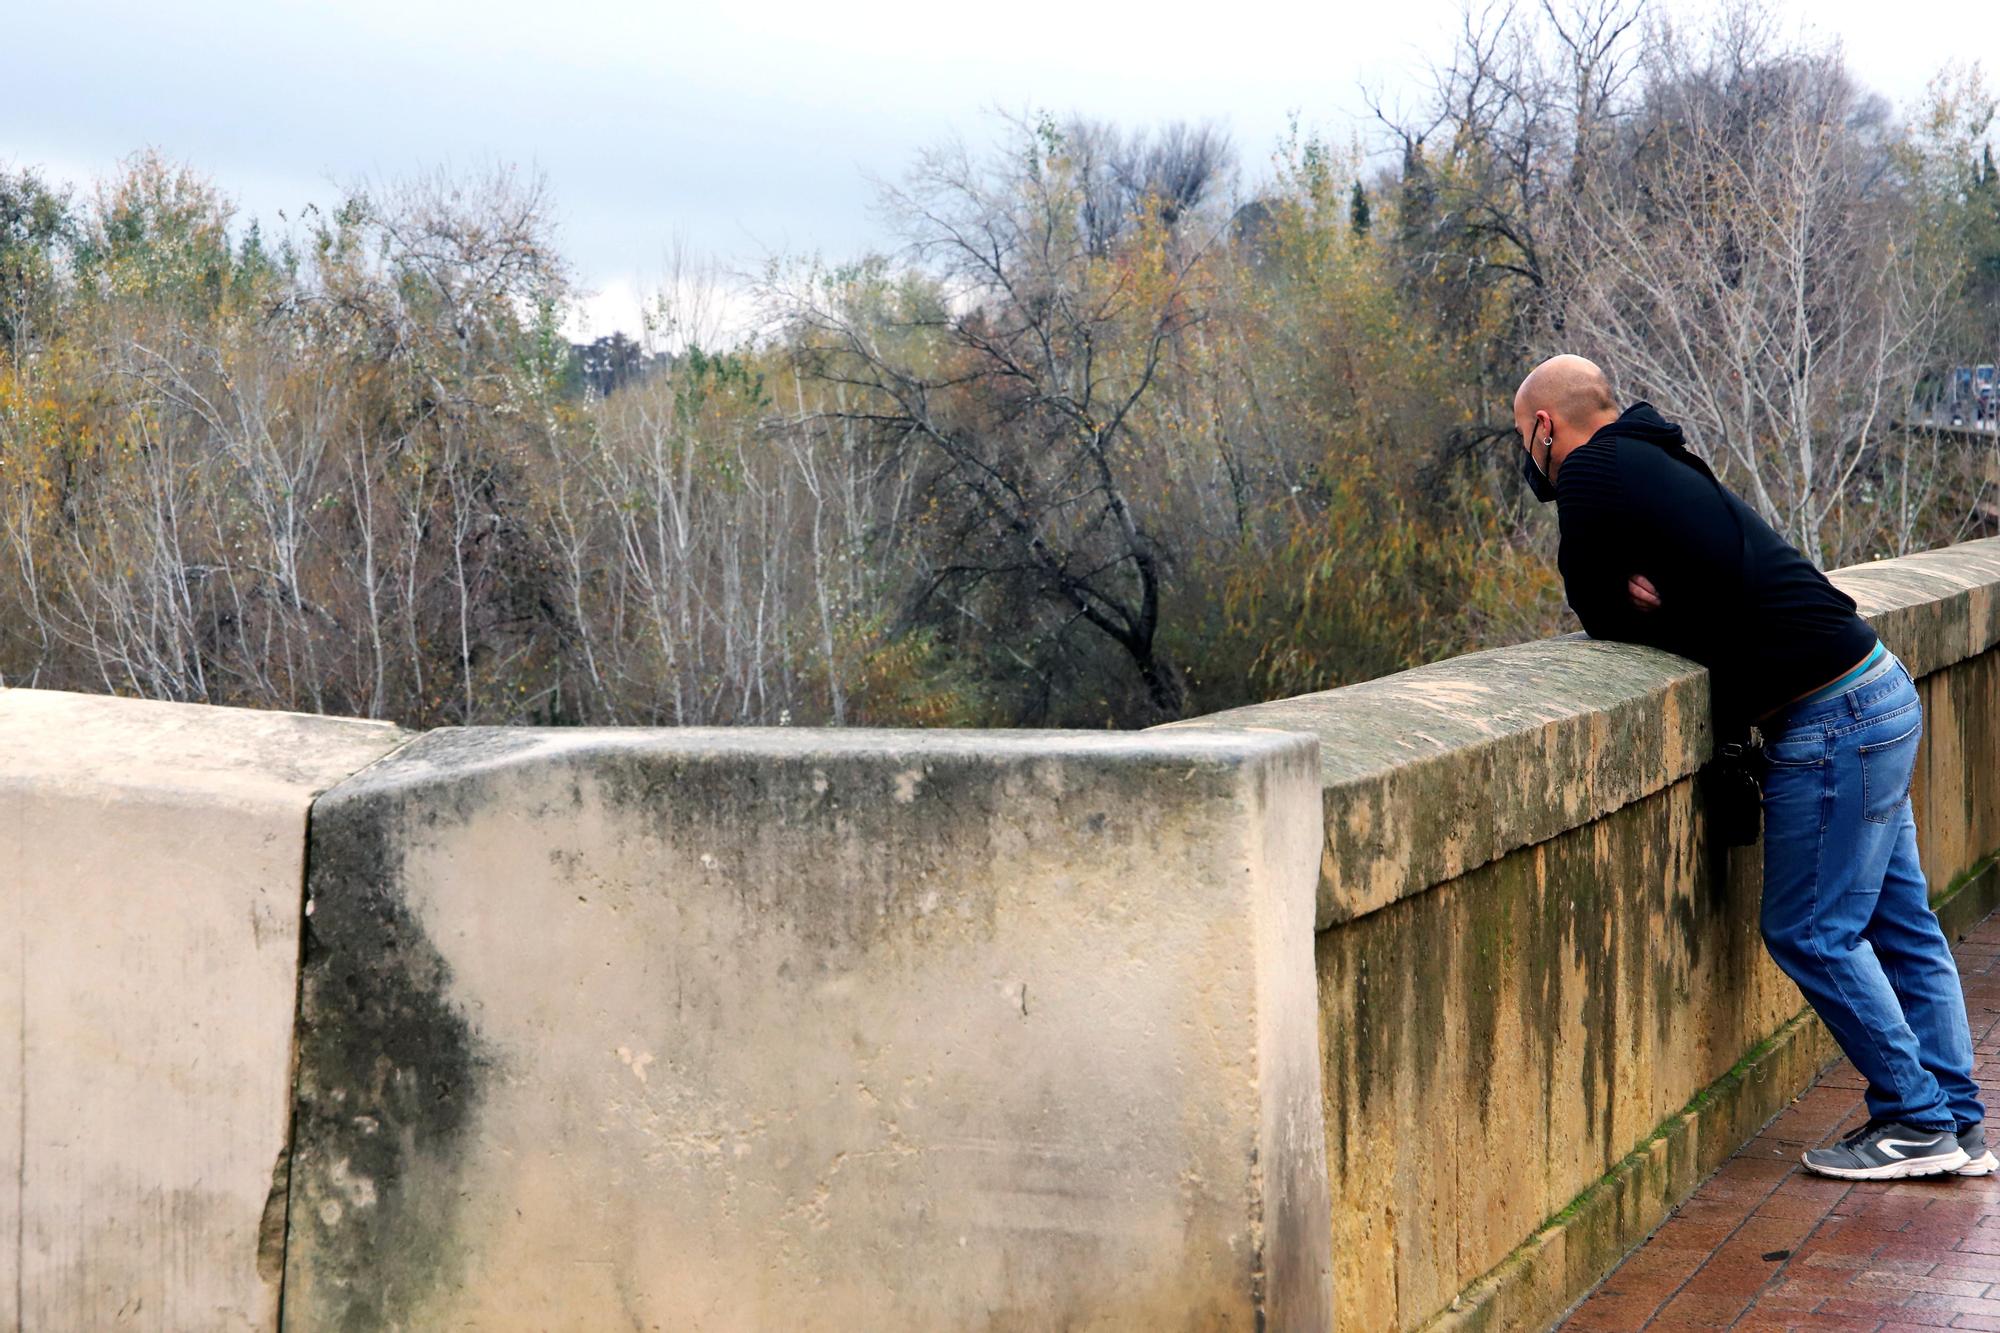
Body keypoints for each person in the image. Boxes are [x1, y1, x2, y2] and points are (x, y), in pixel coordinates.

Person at [1514, 353, 1990, 1181]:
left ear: (1545, 428)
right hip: (1876, 684)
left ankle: (1916, 1118)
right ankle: (1957, 1120)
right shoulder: (1656, 457)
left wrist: (1648, 605)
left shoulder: (1591, 471)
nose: (1532, 456)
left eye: (1526, 438)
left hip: (1830, 715)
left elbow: (1595, 605)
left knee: (1809, 928)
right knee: (1901, 923)